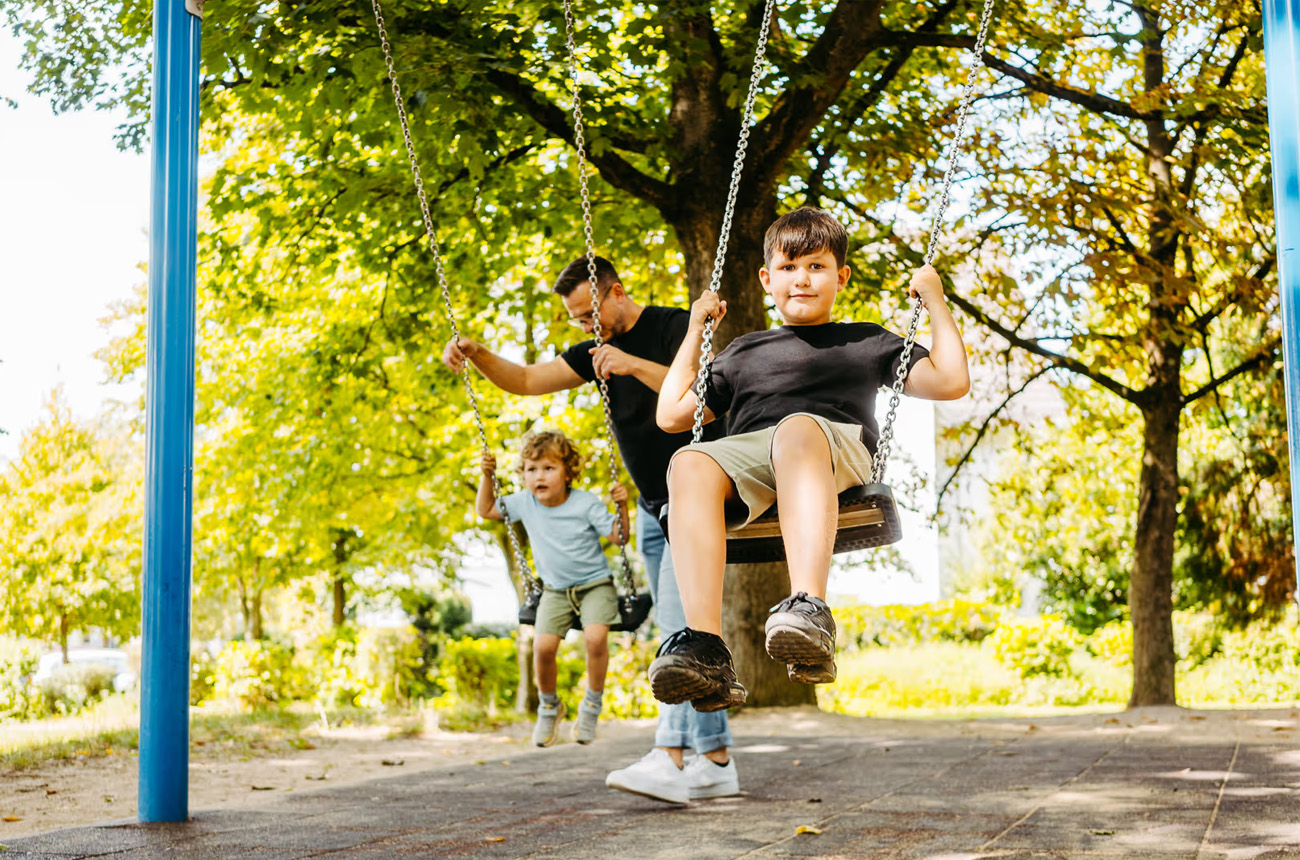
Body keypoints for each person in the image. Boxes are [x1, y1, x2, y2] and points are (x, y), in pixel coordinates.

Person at [650, 206, 971, 709]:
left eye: (816, 266)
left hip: (830, 448)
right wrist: (695, 331)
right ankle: (706, 647)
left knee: (797, 429)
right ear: (767, 279)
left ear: (841, 277)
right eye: (788, 267)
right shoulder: (743, 351)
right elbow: (671, 414)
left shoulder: (866, 339)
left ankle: (807, 608)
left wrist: (935, 300)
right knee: (688, 460)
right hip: (755, 459)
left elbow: (951, 381)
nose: (801, 279)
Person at [445, 257, 739, 803]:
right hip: (653, 509)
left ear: (616, 293)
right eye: (576, 320)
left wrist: (631, 365)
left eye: (588, 314)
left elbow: (711, 394)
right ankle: (717, 760)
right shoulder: (595, 350)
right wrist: (478, 354)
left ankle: (671, 756)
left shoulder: (674, 326)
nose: (585, 326)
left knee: (680, 630)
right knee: (684, 626)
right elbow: (527, 381)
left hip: (699, 500)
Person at [476, 430, 630, 747]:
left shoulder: (585, 503)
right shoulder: (525, 503)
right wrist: (487, 476)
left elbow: (620, 537)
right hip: (555, 590)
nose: (539, 476)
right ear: (523, 474)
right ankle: (549, 707)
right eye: (531, 469)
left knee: (595, 639)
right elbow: (486, 509)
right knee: (543, 648)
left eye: (549, 468)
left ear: (567, 471)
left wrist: (623, 507)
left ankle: (591, 705)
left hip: (595, 585)